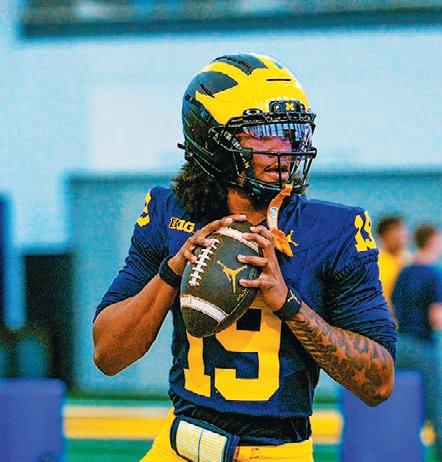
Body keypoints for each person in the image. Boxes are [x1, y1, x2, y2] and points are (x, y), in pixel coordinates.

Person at [92, 53, 397, 462]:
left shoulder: (336, 230)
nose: (283, 149)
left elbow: (379, 383)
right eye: (263, 134)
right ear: (212, 141)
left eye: (290, 132)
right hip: (177, 446)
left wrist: (289, 305)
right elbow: (107, 354)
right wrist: (173, 271)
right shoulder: (170, 212)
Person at [392, 224, 442, 462]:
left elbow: (393, 310)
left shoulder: (404, 272)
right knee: (436, 411)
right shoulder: (435, 274)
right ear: (433, 241)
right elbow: (437, 319)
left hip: (399, 346)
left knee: (404, 410)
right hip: (424, 348)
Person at [376, 215, 410, 313]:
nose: (402, 238)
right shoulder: (375, 263)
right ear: (384, 236)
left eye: (404, 233)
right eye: (397, 234)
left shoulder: (410, 261)